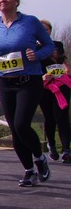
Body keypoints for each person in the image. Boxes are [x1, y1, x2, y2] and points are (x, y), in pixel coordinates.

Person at [0, 0, 54, 186]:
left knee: (21, 124)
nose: (3, 0)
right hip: (5, 83)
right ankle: (29, 171)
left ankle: (39, 158)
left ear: (16, 1)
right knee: (15, 130)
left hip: (28, 81)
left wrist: (37, 55)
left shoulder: (30, 22)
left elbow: (49, 45)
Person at [38, 20, 70, 163]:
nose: (44, 31)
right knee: (50, 118)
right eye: (41, 29)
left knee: (62, 116)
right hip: (45, 86)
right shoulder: (33, 47)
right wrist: (42, 77)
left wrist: (67, 69)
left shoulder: (58, 45)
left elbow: (63, 60)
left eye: (46, 29)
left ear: (50, 31)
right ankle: (51, 145)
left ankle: (66, 150)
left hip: (61, 84)